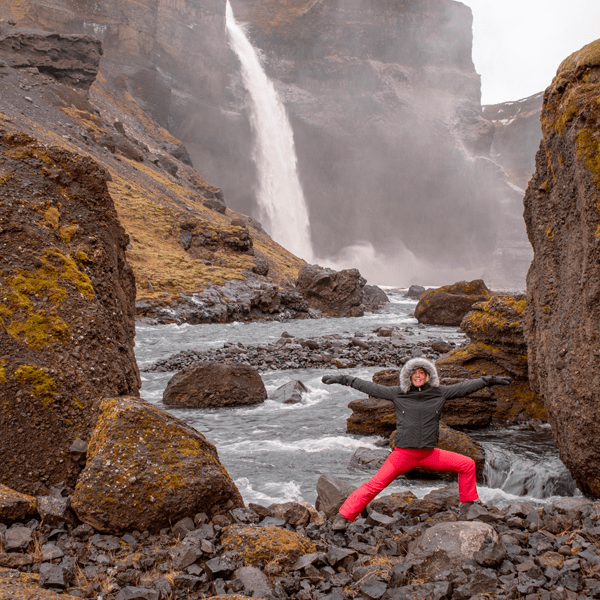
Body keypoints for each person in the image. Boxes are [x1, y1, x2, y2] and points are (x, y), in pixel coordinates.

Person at [321, 357, 511, 529]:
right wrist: (343, 378)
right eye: (415, 373)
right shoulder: (398, 393)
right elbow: (369, 387)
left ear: (428, 376)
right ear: (408, 376)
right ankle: (343, 517)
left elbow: (465, 387)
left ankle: (468, 505)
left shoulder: (440, 393)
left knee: (467, 464)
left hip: (429, 454)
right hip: (403, 455)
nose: (418, 376)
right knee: (374, 486)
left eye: (422, 373)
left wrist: (489, 380)